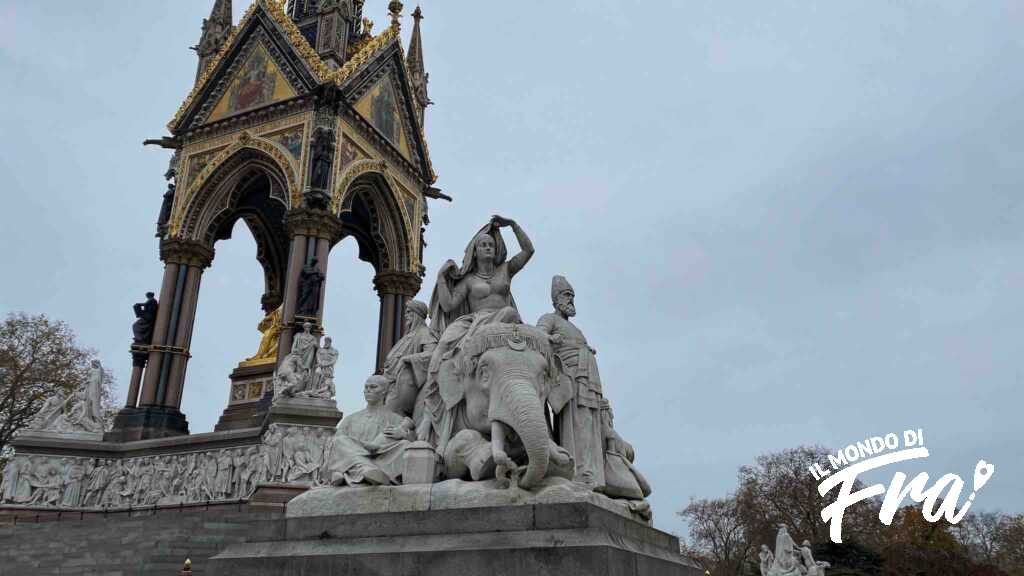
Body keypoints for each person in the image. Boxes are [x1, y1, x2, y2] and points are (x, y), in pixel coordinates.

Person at [420, 215, 533, 450]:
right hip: (476, 321)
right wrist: (441, 278)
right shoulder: (470, 280)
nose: (488, 247)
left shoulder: (506, 270)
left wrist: (512, 224)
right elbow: (449, 304)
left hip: (504, 318)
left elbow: (528, 250)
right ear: (476, 251)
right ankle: (431, 404)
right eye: (483, 245)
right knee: (443, 348)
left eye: (491, 244)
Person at [538, 275, 605, 488]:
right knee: (576, 423)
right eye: (567, 295)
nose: (571, 300)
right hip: (570, 379)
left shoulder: (576, 329)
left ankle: (593, 473)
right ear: (556, 298)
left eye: (572, 296)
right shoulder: (550, 319)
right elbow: (537, 335)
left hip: (588, 378)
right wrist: (552, 339)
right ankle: (577, 471)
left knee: (589, 423)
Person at [327, 375, 415, 486]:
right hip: (358, 457)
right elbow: (336, 446)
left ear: (384, 391)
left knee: (405, 445)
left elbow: (415, 443)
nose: (368, 390)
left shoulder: (396, 419)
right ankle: (364, 469)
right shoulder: (351, 419)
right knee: (339, 440)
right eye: (366, 387)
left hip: (381, 458)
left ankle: (352, 471)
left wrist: (403, 434)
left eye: (373, 387)